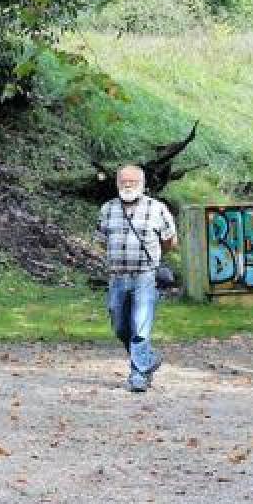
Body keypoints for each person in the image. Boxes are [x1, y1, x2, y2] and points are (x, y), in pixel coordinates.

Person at [95, 165, 178, 392]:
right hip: (117, 277)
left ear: (142, 184)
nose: (128, 185)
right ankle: (148, 359)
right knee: (120, 325)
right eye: (124, 181)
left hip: (145, 277)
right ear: (117, 184)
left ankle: (138, 375)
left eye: (133, 181)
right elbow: (101, 240)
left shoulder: (157, 209)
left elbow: (170, 241)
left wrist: (154, 257)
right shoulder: (107, 210)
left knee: (140, 327)